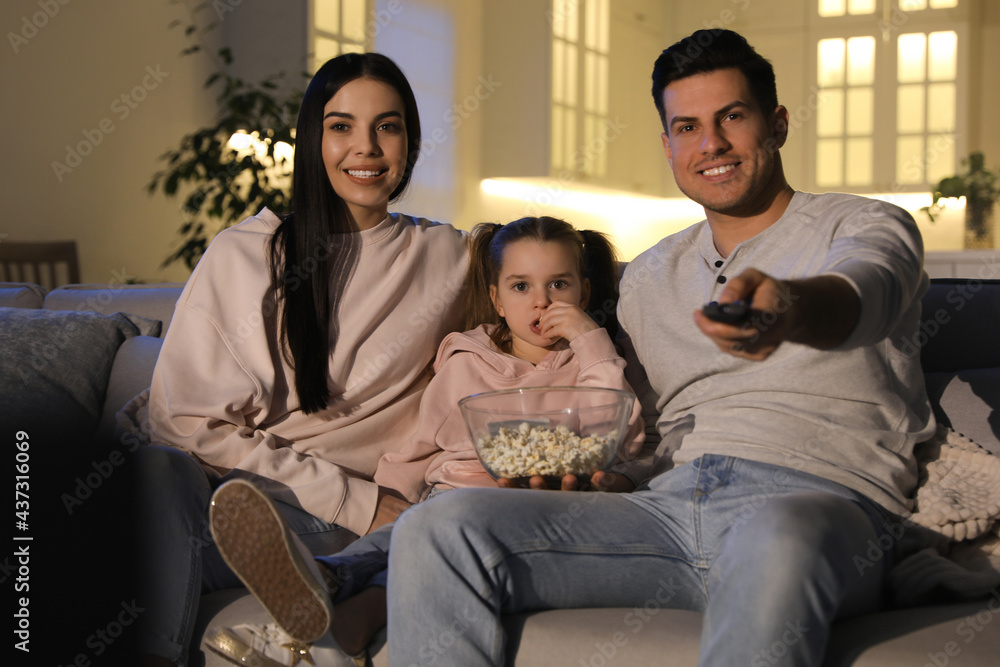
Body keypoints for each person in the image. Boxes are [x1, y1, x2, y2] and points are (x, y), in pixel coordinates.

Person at [384, 29, 936, 666]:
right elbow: (634, 420)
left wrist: (788, 306)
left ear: (778, 124)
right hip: (665, 514)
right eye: (688, 126)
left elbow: (863, 293)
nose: (712, 144)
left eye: (733, 116)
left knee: (776, 535)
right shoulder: (647, 277)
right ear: (668, 144)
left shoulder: (864, 225)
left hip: (820, 508)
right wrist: (608, 475)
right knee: (438, 528)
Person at [135, 52, 470, 667]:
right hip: (222, 498)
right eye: (341, 126)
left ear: (411, 140)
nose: (364, 148)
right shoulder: (244, 254)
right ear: (312, 137)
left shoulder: (452, 258)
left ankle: (322, 592)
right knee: (155, 475)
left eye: (387, 127)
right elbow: (181, 422)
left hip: (330, 522)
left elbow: (551, 271)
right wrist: (349, 497)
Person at [202, 215, 646, 666]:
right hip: (446, 496)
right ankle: (321, 587)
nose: (540, 303)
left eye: (558, 285)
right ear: (495, 298)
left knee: (433, 546)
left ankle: (328, 609)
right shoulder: (466, 364)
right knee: (411, 533)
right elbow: (419, 449)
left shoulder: (596, 363)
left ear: (584, 294)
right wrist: (385, 502)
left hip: (528, 510)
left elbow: (624, 439)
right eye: (520, 287)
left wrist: (591, 340)